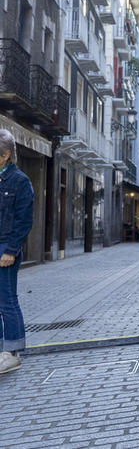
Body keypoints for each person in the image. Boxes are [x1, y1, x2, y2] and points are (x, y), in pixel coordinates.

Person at [0, 130, 34, 375]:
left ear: (5, 154)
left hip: (5, 247)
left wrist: (11, 250)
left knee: (7, 301)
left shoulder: (19, 181)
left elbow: (24, 220)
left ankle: (12, 353)